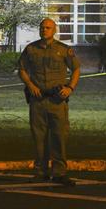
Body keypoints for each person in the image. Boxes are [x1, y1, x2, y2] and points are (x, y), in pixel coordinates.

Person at [18, 18, 80, 187]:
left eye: (48, 27)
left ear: (54, 30)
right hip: (38, 101)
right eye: (42, 27)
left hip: (57, 101)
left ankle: (60, 172)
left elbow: (76, 69)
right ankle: (40, 171)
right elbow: (22, 69)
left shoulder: (64, 50)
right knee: (39, 137)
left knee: (59, 136)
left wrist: (70, 88)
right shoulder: (31, 49)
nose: (44, 30)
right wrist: (30, 85)